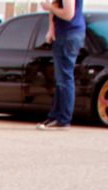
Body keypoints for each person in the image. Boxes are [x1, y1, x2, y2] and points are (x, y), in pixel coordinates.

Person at [39, 0, 85, 129]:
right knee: (61, 78)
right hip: (64, 33)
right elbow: (55, 5)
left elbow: (68, 14)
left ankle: (63, 118)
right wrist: (51, 28)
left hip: (69, 34)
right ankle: (55, 115)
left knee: (64, 77)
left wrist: (49, 8)